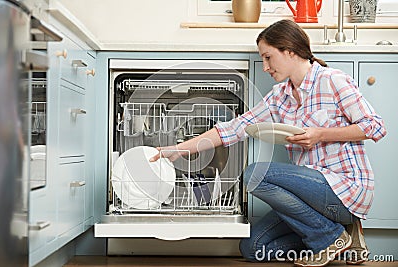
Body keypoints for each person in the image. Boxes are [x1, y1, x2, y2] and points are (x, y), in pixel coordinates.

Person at [150, 19, 386, 267]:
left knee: (255, 174)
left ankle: (329, 237)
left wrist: (321, 134)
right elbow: (234, 128)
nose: (264, 67)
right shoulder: (279, 97)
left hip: (344, 191)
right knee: (253, 248)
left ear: (290, 51)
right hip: (308, 197)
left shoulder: (332, 81)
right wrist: (178, 149)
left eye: (268, 57)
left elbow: (376, 126)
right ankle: (344, 240)